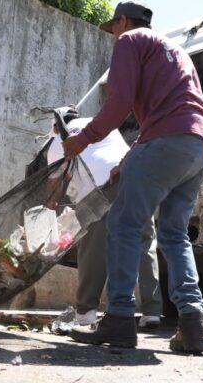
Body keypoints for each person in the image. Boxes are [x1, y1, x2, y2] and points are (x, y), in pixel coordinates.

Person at [63, 1, 203, 353]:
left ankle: (118, 317)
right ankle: (194, 325)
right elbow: (169, 116)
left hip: (167, 140)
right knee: (175, 235)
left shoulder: (129, 41)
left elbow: (118, 104)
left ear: (122, 21)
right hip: (200, 147)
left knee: (124, 225)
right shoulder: (177, 51)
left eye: (113, 27)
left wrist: (82, 139)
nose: (113, 35)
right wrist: (130, 157)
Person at [46, 107, 163, 329]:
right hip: (136, 180)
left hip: (101, 190)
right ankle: (152, 312)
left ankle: (86, 311)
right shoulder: (99, 125)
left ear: (55, 125)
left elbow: (53, 188)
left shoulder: (58, 141)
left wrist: (47, 216)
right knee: (144, 242)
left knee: (93, 248)